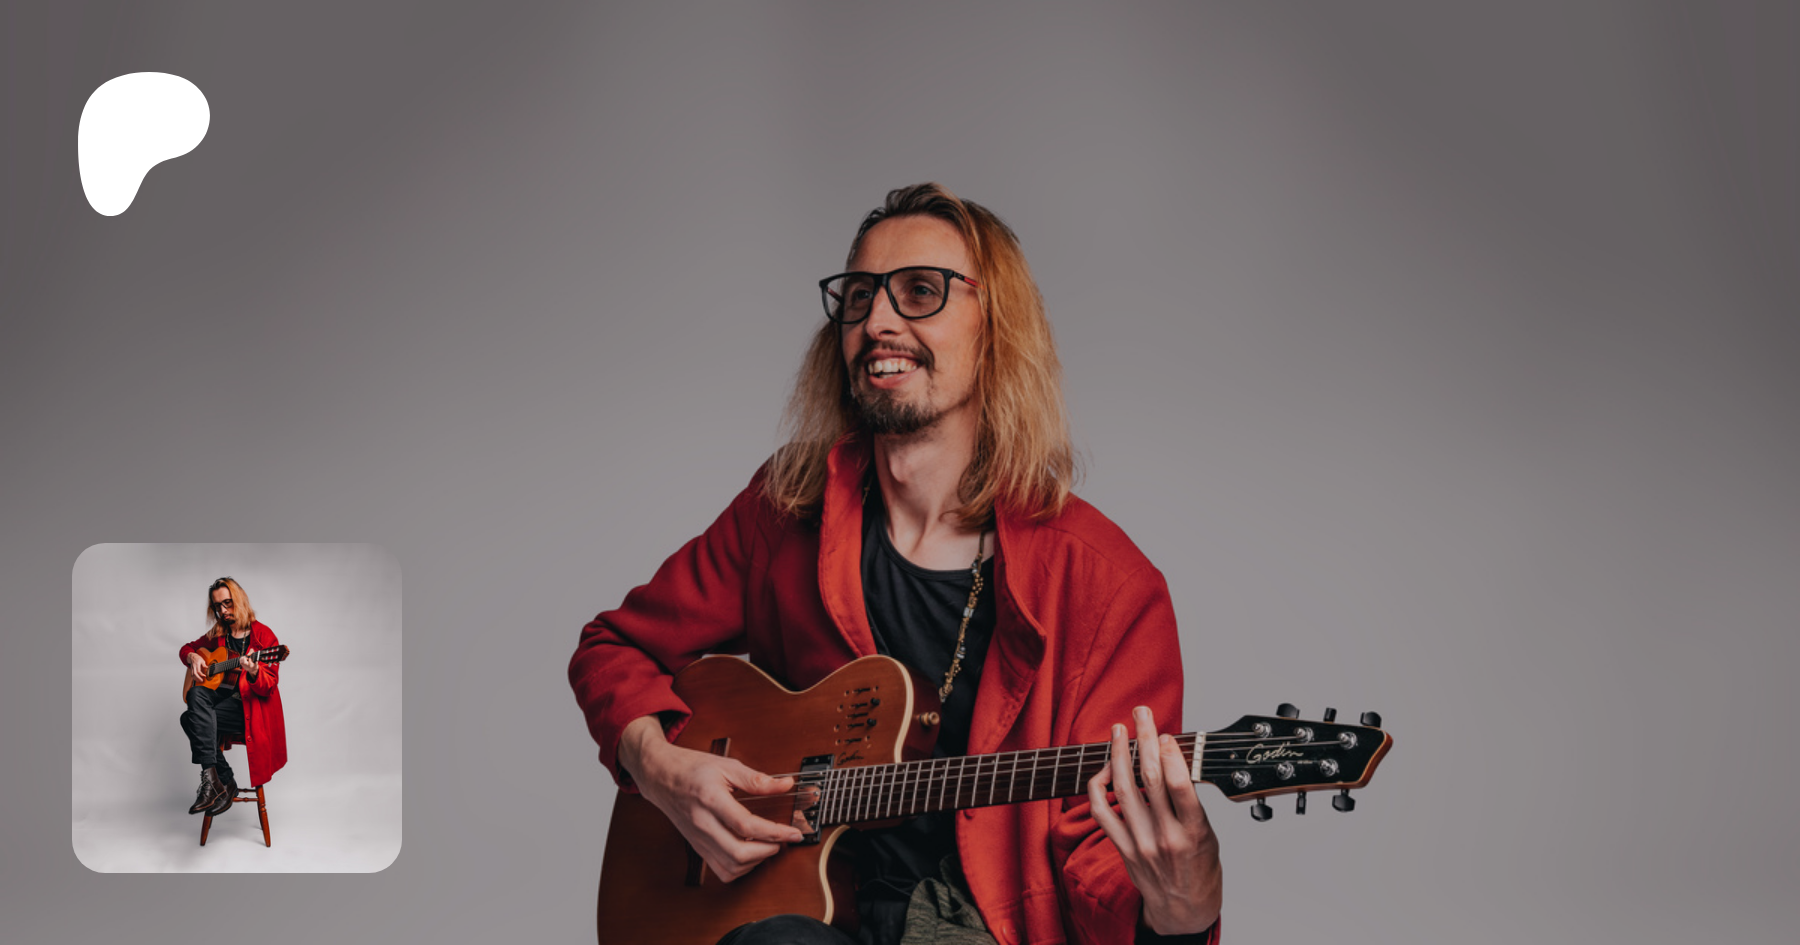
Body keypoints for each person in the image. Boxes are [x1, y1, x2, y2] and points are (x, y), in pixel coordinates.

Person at [569, 184, 1221, 945]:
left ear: (996, 327)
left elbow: (1104, 861)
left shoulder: (1108, 586)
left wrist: (1181, 908)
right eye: (860, 296)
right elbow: (613, 648)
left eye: (919, 291)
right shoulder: (784, 509)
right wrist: (661, 768)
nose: (877, 321)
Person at [178, 576, 288, 817]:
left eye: (227, 603)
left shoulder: (263, 636)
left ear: (239, 600)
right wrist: (193, 657)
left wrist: (255, 671)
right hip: (222, 707)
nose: (223, 611)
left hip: (250, 713)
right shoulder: (218, 634)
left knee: (191, 719)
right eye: (217, 606)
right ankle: (219, 781)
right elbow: (187, 648)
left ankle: (220, 785)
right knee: (194, 699)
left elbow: (269, 686)